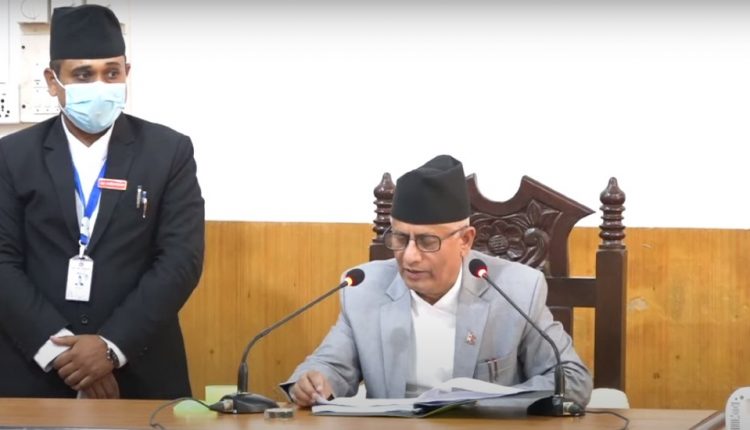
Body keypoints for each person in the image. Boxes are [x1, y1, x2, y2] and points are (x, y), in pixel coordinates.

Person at [0, 5, 204, 399]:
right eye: (83, 74)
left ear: (127, 72)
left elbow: (181, 261)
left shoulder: (168, 152)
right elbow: (2, 264)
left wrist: (111, 347)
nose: (100, 85)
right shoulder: (12, 156)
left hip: (140, 369)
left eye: (111, 73)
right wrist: (61, 353)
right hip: (34, 373)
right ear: (53, 81)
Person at [283, 155, 592, 407]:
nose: (409, 257)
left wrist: (499, 403)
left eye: (427, 241)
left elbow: (572, 380)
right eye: (400, 238)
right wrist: (313, 381)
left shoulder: (518, 289)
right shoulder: (364, 288)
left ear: (465, 240)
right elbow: (331, 367)